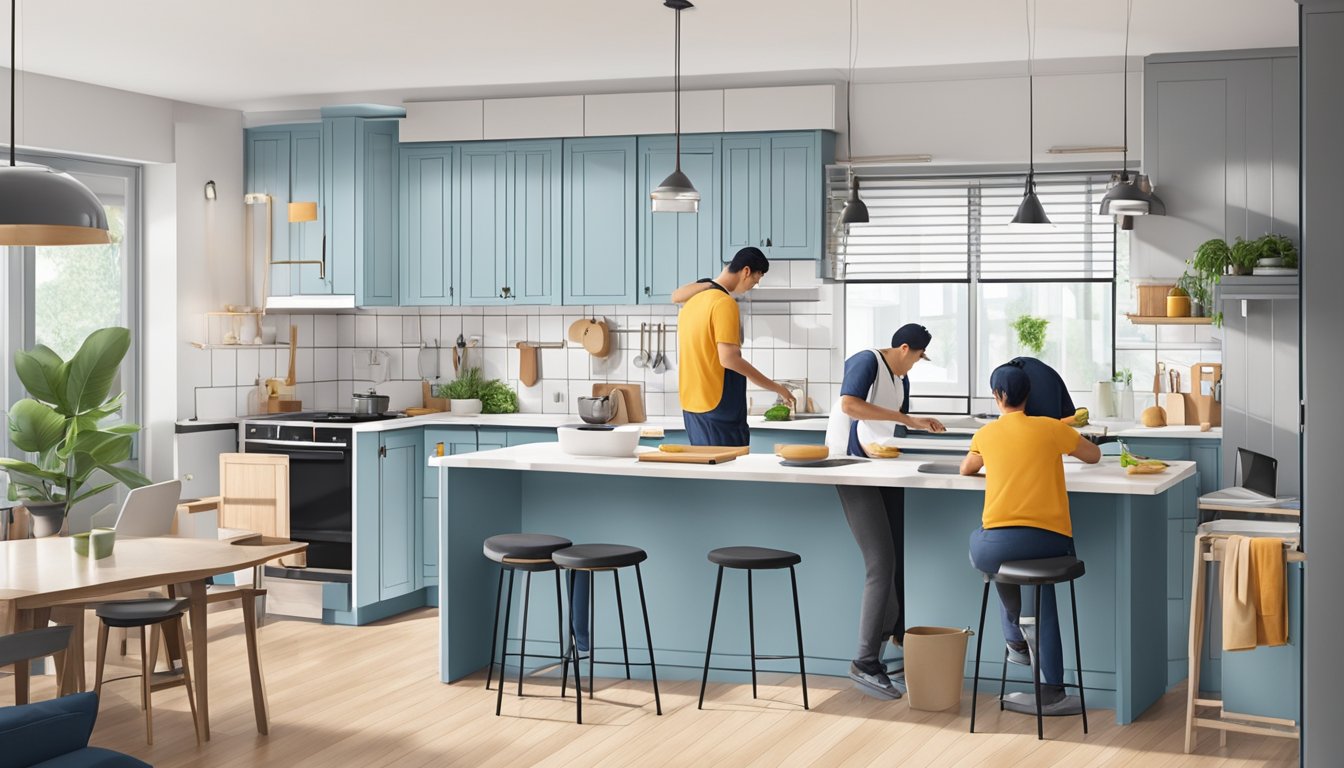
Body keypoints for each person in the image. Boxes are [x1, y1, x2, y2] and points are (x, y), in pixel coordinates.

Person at [960, 363, 1101, 715]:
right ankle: (1052, 687)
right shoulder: (1051, 428)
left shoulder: (987, 434)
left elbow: (967, 469)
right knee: (1041, 595)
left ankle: (1015, 637)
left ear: (997, 396)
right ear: (1030, 396)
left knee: (986, 558)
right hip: (1051, 542)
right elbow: (1093, 455)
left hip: (996, 547)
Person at [824, 323, 946, 700]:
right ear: (905, 347)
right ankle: (863, 661)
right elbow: (849, 404)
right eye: (918, 357)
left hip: (883, 470)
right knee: (880, 563)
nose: (916, 364)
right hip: (851, 468)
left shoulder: (900, 381)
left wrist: (917, 423)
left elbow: (884, 427)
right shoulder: (867, 362)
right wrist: (909, 420)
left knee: (896, 561)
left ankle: (888, 643)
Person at [672, 247, 796, 446]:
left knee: (709, 471)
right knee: (730, 471)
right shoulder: (724, 303)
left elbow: (675, 295)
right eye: (755, 280)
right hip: (718, 406)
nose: (752, 286)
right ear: (746, 271)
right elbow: (729, 359)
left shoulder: (691, 302)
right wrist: (777, 388)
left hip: (691, 405)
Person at [1007, 356, 1076, 420]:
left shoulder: (1015, 376)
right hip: (1054, 423)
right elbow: (1069, 412)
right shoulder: (1047, 372)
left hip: (1032, 424)